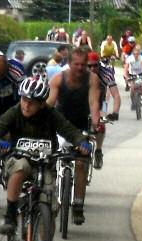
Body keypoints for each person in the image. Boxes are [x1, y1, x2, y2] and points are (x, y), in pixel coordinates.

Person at [0, 76, 91, 241]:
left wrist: (82, 142)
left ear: (42, 103)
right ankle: (10, 213)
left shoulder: (50, 115)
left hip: (44, 166)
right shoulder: (15, 112)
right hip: (19, 160)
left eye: (32, 102)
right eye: (24, 100)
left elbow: (69, 130)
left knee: (50, 210)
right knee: (21, 166)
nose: (26, 105)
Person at [47, 47, 101, 225]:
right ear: (69, 63)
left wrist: (95, 122)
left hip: (81, 126)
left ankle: (78, 205)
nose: (80, 68)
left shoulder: (92, 79)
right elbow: (49, 104)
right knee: (50, 157)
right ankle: (49, 195)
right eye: (76, 64)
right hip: (60, 124)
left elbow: (94, 102)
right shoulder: (58, 79)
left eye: (83, 65)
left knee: (81, 161)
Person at [87, 51, 121, 170]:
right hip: (83, 102)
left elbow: (116, 95)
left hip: (100, 102)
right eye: (89, 66)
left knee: (100, 123)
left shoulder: (106, 73)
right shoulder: (80, 73)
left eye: (95, 65)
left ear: (99, 64)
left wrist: (115, 112)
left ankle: (98, 150)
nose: (92, 68)